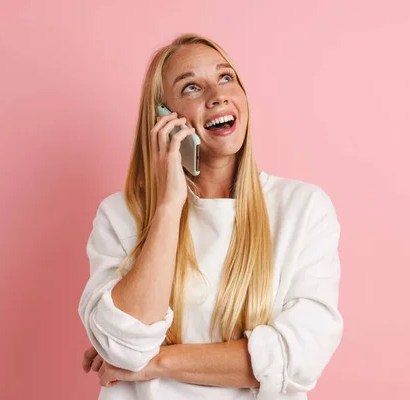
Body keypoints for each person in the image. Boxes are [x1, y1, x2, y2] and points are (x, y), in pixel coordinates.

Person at [78, 33, 343, 400]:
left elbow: (298, 358)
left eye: (225, 78)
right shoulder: (119, 216)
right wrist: (169, 206)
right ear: (163, 117)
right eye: (190, 88)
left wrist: (155, 363)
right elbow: (123, 346)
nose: (217, 95)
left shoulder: (303, 209)